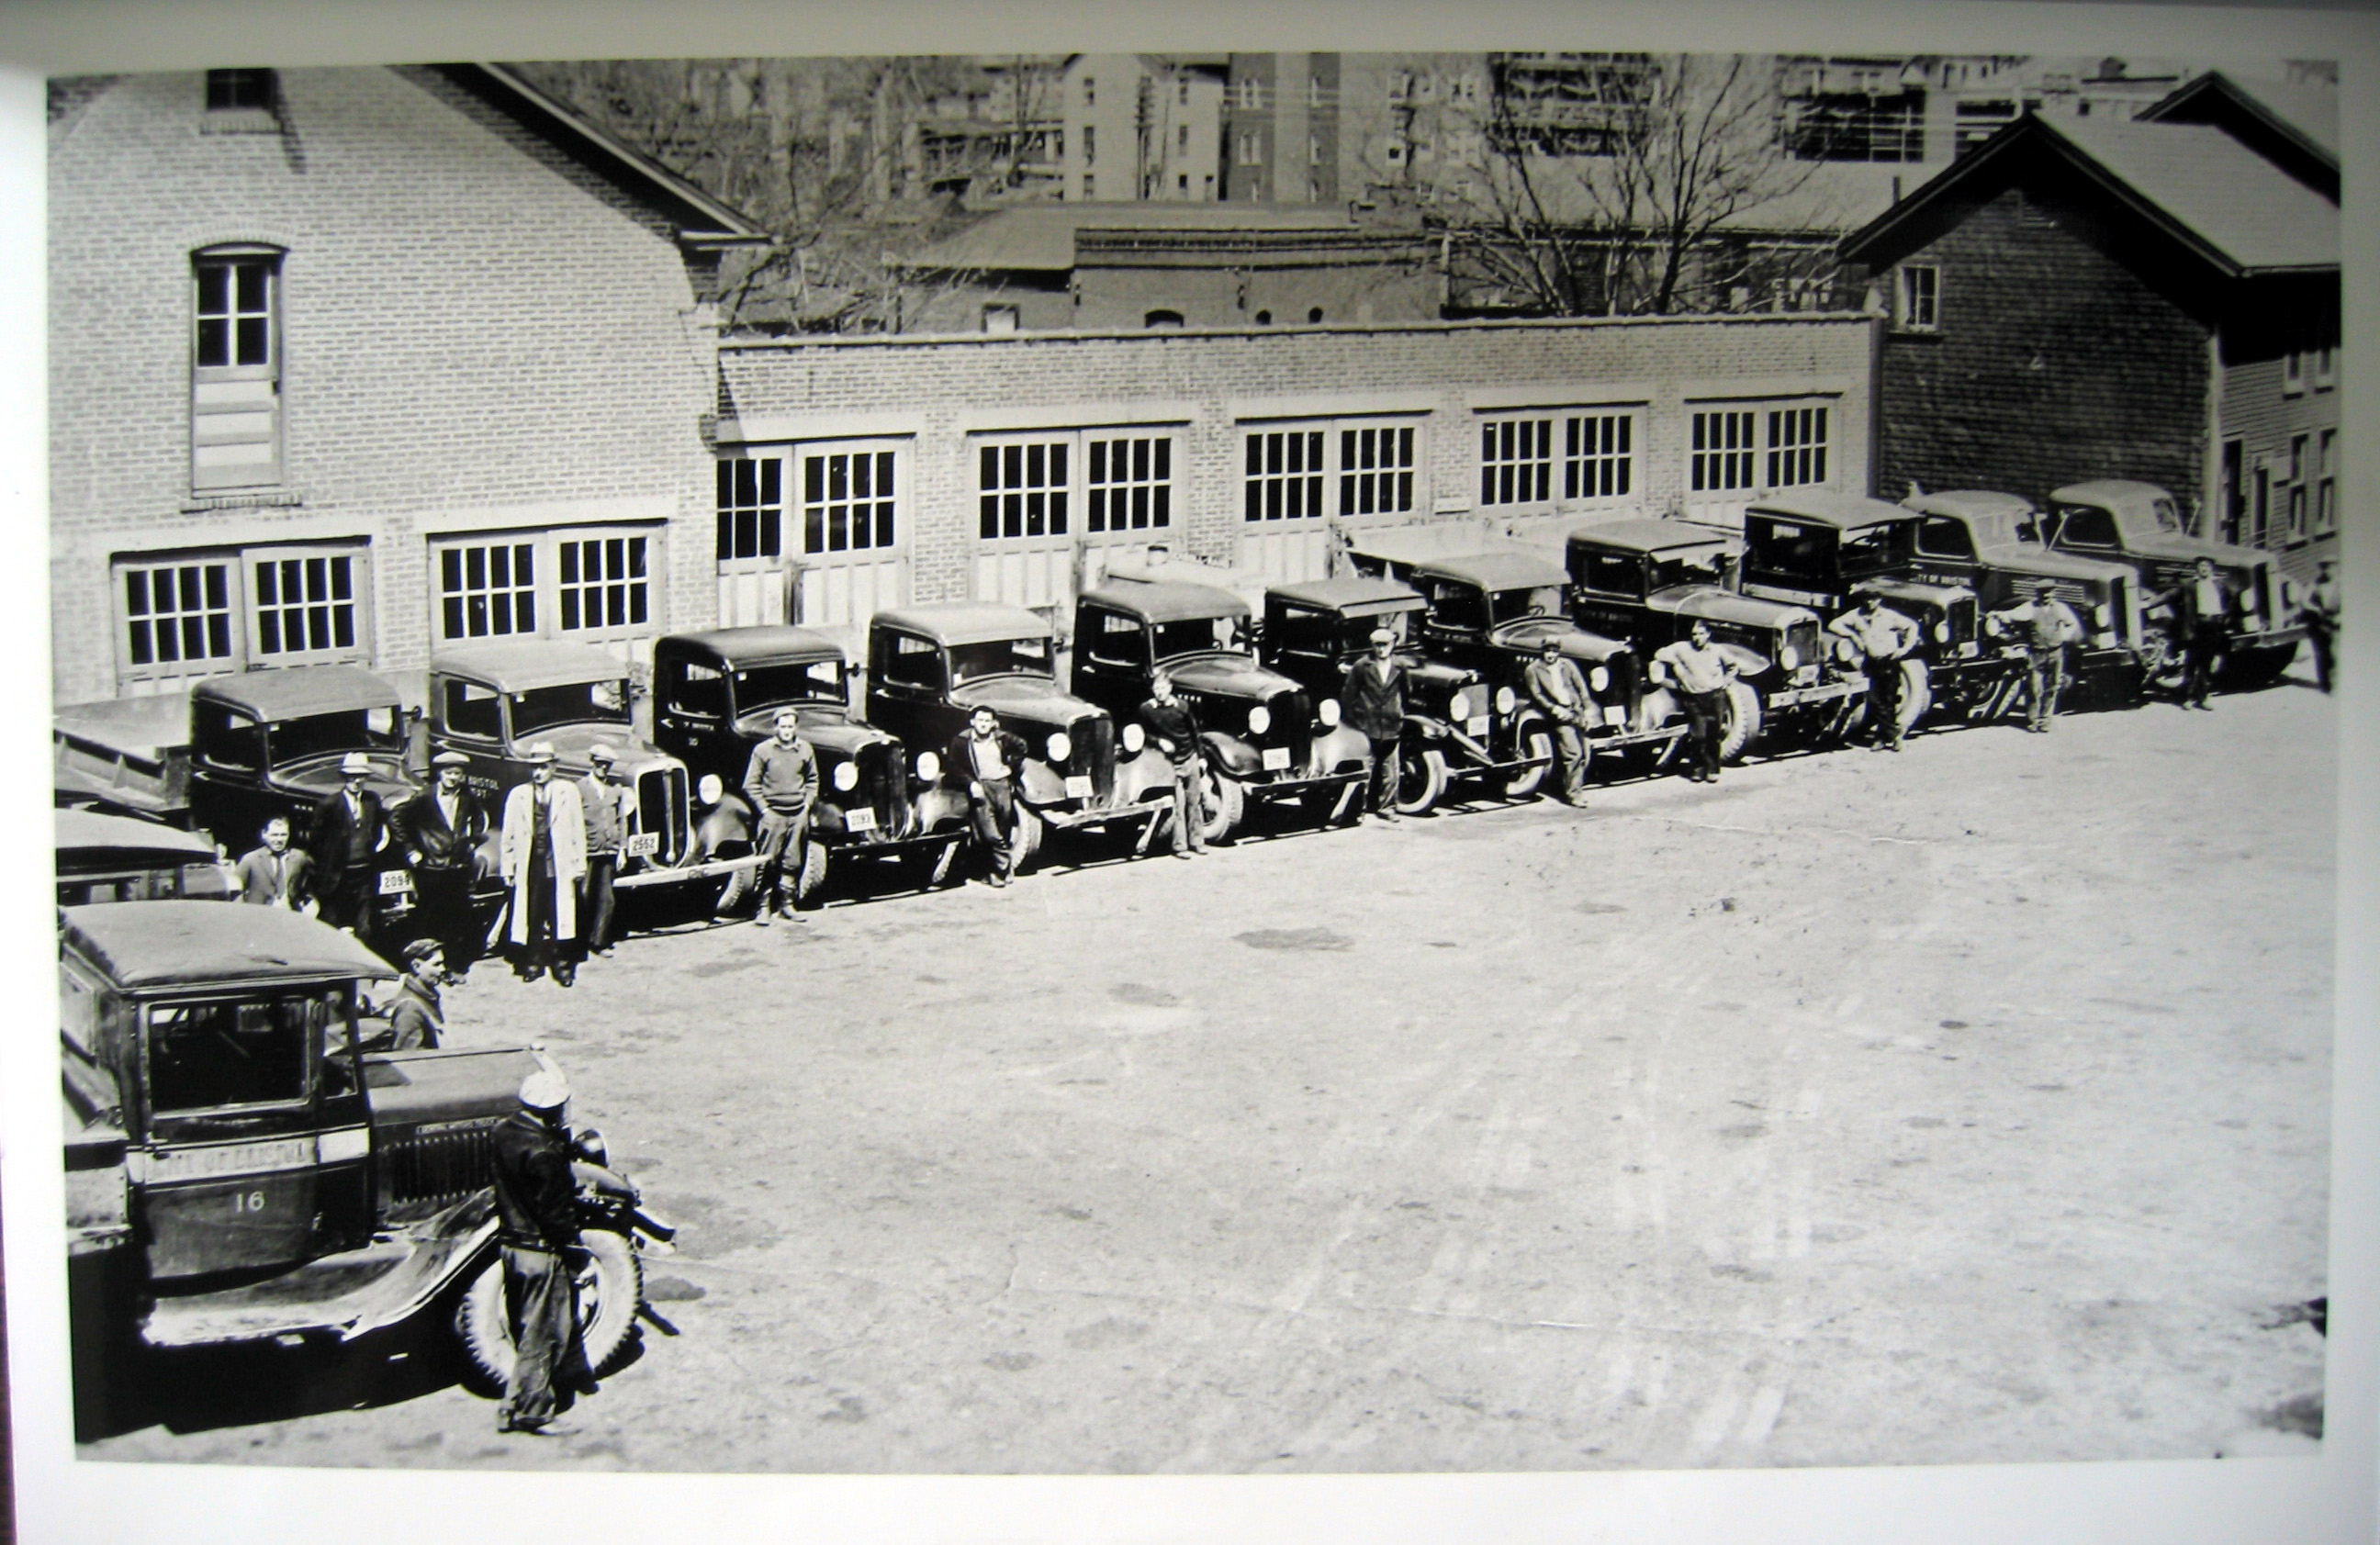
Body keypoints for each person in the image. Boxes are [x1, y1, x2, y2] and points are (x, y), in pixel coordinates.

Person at [490, 1069, 584, 1436]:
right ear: (550, 1110)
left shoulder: (502, 1132)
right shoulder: (544, 1152)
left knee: (525, 1329)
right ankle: (533, 1412)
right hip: (540, 1254)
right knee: (544, 1336)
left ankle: (511, 1404)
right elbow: (556, 1215)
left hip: (511, 1246)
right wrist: (576, 1251)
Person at [499, 745, 587, 986]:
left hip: (559, 862)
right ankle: (533, 962)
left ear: (554, 767)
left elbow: (578, 829)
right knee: (533, 913)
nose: (538, 772)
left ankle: (563, 965)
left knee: (560, 913)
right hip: (531, 864)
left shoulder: (567, 791)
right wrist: (507, 867)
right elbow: (509, 835)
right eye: (534, 768)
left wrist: (580, 862)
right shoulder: (518, 795)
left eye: (544, 767)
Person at [395, 751, 488, 968]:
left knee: (456, 918)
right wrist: (411, 850)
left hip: (457, 867)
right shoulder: (424, 797)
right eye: (449, 773)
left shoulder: (466, 796)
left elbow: (480, 818)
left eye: (457, 773)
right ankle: (425, 965)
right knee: (428, 919)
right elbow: (397, 819)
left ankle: (454, 966)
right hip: (430, 869)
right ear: (439, 774)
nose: (453, 778)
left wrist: (472, 841)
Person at [739, 709, 818, 924]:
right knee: (768, 861)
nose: (786, 731)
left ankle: (787, 905)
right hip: (773, 815)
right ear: (775, 727)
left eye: (790, 726)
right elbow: (750, 784)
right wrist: (764, 809)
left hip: (798, 814)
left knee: (792, 861)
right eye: (782, 727)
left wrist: (806, 805)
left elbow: (813, 780)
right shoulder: (763, 750)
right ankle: (762, 907)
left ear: (796, 727)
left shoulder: (805, 749)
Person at [305, 752, 392, 933]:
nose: (356, 781)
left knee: (364, 926)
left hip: (363, 873)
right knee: (333, 925)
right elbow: (316, 841)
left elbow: (376, 830)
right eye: (352, 776)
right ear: (344, 777)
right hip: (337, 875)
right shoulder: (328, 804)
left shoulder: (372, 800)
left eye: (360, 776)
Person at [949, 706, 1031, 887]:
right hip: (981, 787)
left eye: (987, 721)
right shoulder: (961, 741)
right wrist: (971, 783)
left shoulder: (1001, 738)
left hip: (1001, 786)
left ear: (993, 723)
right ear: (972, 722)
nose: (983, 725)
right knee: (990, 834)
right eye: (980, 720)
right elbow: (954, 766)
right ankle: (1001, 870)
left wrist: (1011, 767)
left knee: (1003, 828)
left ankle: (998, 870)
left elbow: (1022, 746)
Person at [1829, 594, 1922, 751]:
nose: (1870, 602)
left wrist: (1905, 649)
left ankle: (1881, 737)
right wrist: (1853, 634)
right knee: (1874, 700)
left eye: (1874, 599)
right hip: (1872, 663)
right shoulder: (1857, 615)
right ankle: (1895, 736)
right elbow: (1834, 624)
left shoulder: (1889, 616)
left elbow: (1912, 626)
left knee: (1889, 700)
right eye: (1868, 599)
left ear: (1880, 600)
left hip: (1890, 660)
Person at [1651, 621, 1739, 783]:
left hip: (1714, 697)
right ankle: (1698, 769)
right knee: (1698, 735)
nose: (1698, 638)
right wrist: (1676, 662)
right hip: (1693, 698)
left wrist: (1725, 681)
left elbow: (1734, 665)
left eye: (1701, 634)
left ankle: (1713, 769)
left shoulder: (1717, 650)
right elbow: (1659, 654)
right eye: (1694, 634)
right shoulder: (1682, 648)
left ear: (1708, 634)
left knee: (1713, 734)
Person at [1992, 579, 2085, 733]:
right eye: (2043, 593)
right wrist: (1998, 614)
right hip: (2037, 653)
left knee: (2052, 687)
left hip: (2055, 652)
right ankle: (2033, 720)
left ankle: (2045, 721)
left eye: (2049, 592)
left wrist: (2064, 636)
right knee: (2034, 688)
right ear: (2037, 594)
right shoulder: (2030, 608)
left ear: (2054, 593)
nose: (2046, 596)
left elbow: (2072, 623)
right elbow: (2014, 614)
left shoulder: (2061, 608)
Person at [1341, 627, 1408, 823]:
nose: (1381, 650)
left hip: (1391, 725)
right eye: (1377, 645)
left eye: (1385, 645)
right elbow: (1348, 694)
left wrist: (1400, 715)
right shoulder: (1362, 666)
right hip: (1367, 726)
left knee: (1391, 771)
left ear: (1393, 645)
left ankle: (1387, 807)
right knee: (1365, 771)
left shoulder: (1400, 666)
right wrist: (1356, 720)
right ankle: (1358, 810)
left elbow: (1406, 692)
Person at [1138, 671, 1207, 858]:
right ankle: (1180, 846)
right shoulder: (1147, 709)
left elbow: (1195, 732)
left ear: (1170, 689)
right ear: (1152, 690)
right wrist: (1159, 741)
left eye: (1163, 688)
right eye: (1156, 688)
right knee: (1178, 805)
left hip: (1189, 756)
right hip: (1170, 762)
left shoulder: (1182, 707)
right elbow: (1144, 735)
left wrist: (1201, 757)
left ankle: (1198, 842)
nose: (1159, 692)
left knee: (1195, 802)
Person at [1521, 638, 1593, 806]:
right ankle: (1573, 795)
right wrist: (1554, 709)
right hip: (1558, 715)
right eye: (1547, 650)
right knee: (1573, 754)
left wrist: (1587, 708)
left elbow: (1581, 687)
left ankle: (1570, 786)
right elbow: (1537, 695)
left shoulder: (1567, 665)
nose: (1551, 654)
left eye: (1554, 650)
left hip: (1576, 711)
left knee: (1584, 753)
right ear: (1542, 651)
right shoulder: (1533, 669)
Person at [577, 744, 632, 953]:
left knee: (606, 899)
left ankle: (599, 942)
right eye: (600, 764)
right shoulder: (580, 788)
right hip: (587, 852)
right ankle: (580, 942)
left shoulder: (614, 791)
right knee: (584, 896)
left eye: (607, 765)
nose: (603, 768)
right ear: (593, 763)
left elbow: (621, 821)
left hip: (608, 851)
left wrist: (622, 850)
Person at [2165, 557, 2230, 711]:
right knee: (2191, 663)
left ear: (2212, 568)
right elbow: (2170, 595)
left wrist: (2224, 616)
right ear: (2197, 569)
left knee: (2206, 664)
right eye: (2201, 566)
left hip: (2213, 627)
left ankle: (2203, 698)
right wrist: (2148, 603)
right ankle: (2186, 697)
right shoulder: (2189, 585)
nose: (2204, 568)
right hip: (2196, 628)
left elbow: (2231, 599)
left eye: (2207, 566)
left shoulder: (2219, 585)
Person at [235, 814, 311, 909]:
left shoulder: (299, 857)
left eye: (283, 835)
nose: (279, 840)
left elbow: (309, 887)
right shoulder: (251, 859)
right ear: (264, 834)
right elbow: (236, 890)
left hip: (289, 915)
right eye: (274, 835)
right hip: (259, 915)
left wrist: (310, 904)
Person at [385, 939, 449, 1051]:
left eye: (442, 963)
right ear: (416, 966)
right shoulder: (410, 1008)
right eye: (437, 964)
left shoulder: (426, 997)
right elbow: (408, 1057)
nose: (442, 969)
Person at [2301, 557, 2340, 695]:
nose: (2328, 570)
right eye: (2325, 567)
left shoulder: (2339, 583)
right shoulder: (2316, 584)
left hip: (2336, 621)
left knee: (2336, 655)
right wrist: (2315, 608)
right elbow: (2305, 600)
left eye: (2331, 567)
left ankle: (2337, 683)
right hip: (2319, 625)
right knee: (2322, 655)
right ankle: (2326, 686)